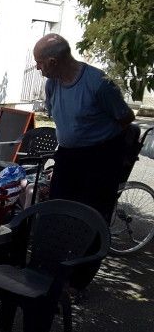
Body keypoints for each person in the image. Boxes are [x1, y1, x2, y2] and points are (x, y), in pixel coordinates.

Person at [33, 33, 135, 294]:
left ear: (53, 61)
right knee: (56, 213)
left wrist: (105, 147)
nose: (37, 67)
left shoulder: (99, 83)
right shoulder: (53, 84)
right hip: (68, 155)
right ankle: (48, 272)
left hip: (100, 157)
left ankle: (76, 283)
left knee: (91, 219)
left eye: (39, 62)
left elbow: (126, 119)